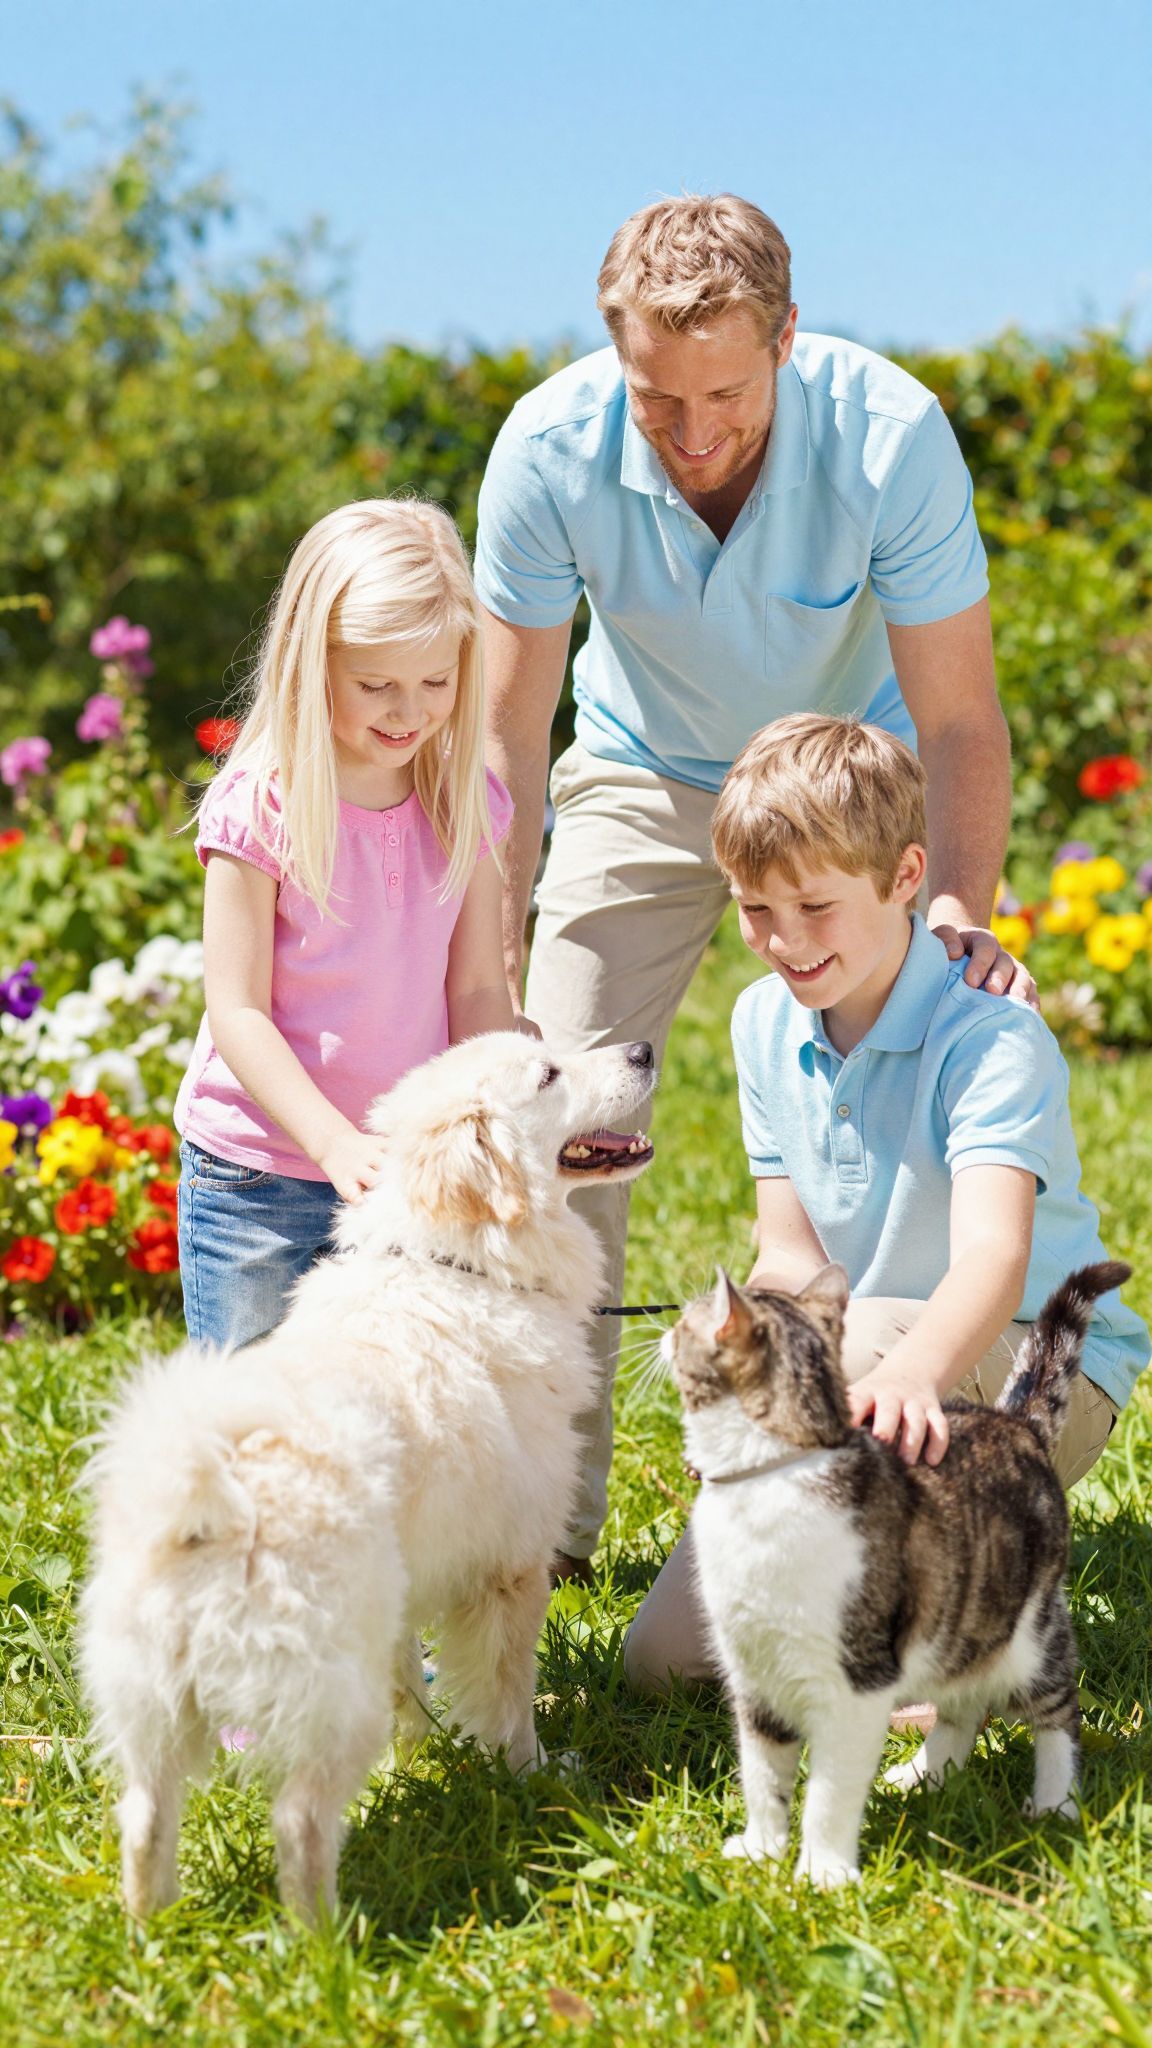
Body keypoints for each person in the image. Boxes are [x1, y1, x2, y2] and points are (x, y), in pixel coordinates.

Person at [478, 191, 1031, 1574]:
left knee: (904, 1107)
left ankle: (897, 1457)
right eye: (657, 398)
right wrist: (488, 958)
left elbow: (960, 719)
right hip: (640, 769)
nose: (692, 432)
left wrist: (956, 909)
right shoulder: (548, 449)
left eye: (724, 393)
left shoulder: (890, 435)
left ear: (787, 338)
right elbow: (505, 737)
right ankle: (545, 1532)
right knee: (552, 1102)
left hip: (847, 775)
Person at [623, 715, 1149, 1691]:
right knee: (665, 1660)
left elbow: (993, 1259)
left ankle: (943, 1658)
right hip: (862, 1358)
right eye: (754, 907)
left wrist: (907, 1374)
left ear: (907, 876)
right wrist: (749, 1382)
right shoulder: (761, 1020)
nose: (782, 939)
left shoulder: (990, 1036)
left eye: (815, 905)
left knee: (857, 1361)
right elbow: (790, 1258)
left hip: (1030, 1364)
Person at [175, 498, 514, 1349]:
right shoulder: (261, 805)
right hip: (260, 1180)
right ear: (311, 661)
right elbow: (237, 1010)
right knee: (252, 1405)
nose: (409, 711)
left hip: (406, 1173)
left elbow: (477, 985)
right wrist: (330, 1143)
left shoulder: (464, 802)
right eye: (376, 685)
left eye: (436, 683)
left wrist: (504, 1092)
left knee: (394, 1395)